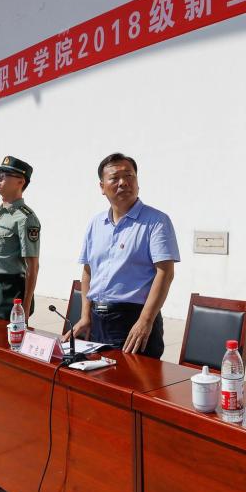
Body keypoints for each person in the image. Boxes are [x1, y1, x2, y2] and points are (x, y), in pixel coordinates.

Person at [65, 153, 179, 358]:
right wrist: (85, 316)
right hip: (97, 320)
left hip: (133, 321)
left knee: (134, 378)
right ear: (102, 187)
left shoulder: (156, 221)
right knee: (96, 376)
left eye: (129, 176)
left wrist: (145, 321)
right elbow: (88, 272)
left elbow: (165, 273)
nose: (123, 183)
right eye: (115, 178)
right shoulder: (96, 223)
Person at [0, 156, 41, 320]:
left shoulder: (25, 218)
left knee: (7, 336)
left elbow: (32, 266)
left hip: (10, 292)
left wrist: (25, 306)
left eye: (5, 174)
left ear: (20, 181)